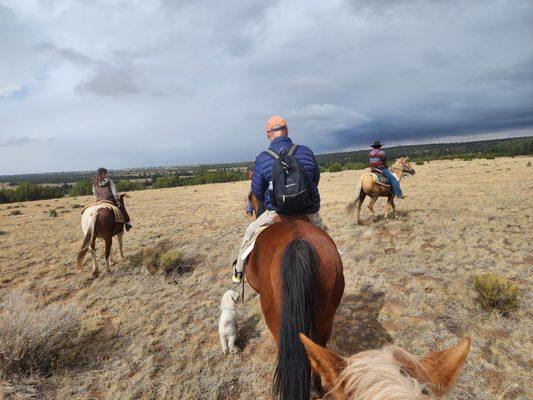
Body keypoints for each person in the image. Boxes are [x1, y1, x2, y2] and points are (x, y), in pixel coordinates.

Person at [231, 115, 323, 283]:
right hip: (308, 211)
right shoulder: (306, 151)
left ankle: (238, 272)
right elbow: (315, 179)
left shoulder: (262, 158)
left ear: (268, 133)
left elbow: (257, 191)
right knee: (324, 239)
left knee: (250, 232)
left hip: (276, 212)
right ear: (286, 131)